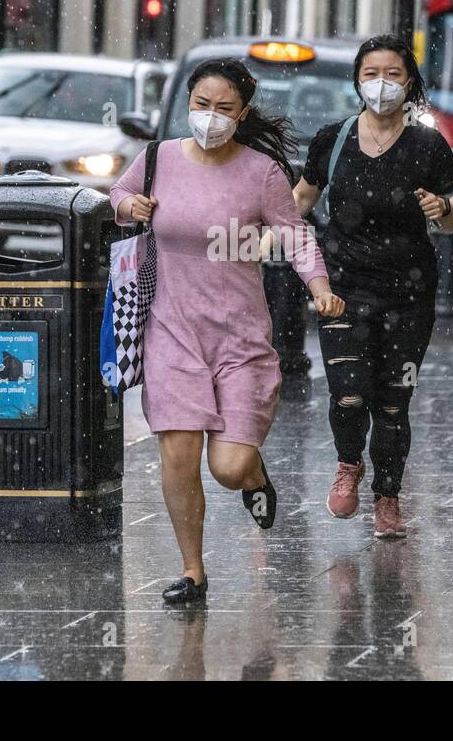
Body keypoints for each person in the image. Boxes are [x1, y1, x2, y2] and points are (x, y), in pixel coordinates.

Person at [110, 58, 344, 604]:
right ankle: (193, 570)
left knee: (228, 466)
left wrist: (319, 287)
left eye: (223, 109)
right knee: (178, 452)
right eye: (201, 105)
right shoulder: (157, 158)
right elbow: (115, 199)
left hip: (240, 341)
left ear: (241, 114)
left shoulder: (261, 173)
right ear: (188, 103)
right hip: (170, 333)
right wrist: (129, 204)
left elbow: (296, 236)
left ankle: (255, 476)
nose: (210, 118)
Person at [290, 34, 453, 538]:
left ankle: (387, 497)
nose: (381, 84)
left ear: (409, 81)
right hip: (343, 289)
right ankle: (349, 463)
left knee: (393, 403)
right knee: (348, 395)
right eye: (371, 74)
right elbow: (299, 199)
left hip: (409, 297)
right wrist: (252, 232)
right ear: (357, 80)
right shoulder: (334, 138)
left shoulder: (428, 145)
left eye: (393, 74)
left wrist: (444, 209)